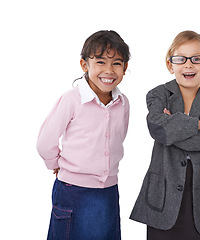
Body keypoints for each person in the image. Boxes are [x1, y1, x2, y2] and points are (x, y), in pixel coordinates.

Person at [130, 30, 200, 240]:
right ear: (170, 65)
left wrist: (174, 125)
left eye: (197, 59)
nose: (189, 65)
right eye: (181, 59)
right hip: (162, 198)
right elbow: (159, 129)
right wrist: (199, 124)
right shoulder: (158, 94)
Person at [37, 30, 130, 240]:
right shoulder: (72, 99)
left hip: (108, 189)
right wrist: (55, 164)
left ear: (125, 68)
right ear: (84, 65)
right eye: (100, 62)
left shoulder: (123, 103)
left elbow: (118, 137)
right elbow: (45, 141)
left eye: (116, 63)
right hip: (73, 190)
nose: (108, 70)